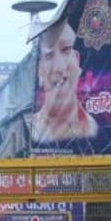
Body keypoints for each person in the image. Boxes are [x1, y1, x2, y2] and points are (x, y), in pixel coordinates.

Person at [30, 16, 98, 148]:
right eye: (49, 56)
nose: (59, 67)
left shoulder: (94, 129)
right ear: (39, 71)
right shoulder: (28, 130)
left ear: (77, 59)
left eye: (66, 50)